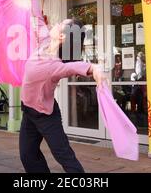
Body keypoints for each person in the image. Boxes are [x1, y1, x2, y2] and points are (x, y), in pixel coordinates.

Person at [20, 17, 107, 173]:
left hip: (44, 115)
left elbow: (74, 67)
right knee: (28, 155)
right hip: (28, 110)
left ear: (63, 36)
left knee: (63, 155)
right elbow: (37, 17)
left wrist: (94, 68)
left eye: (61, 24)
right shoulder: (45, 41)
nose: (56, 23)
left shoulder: (55, 65)